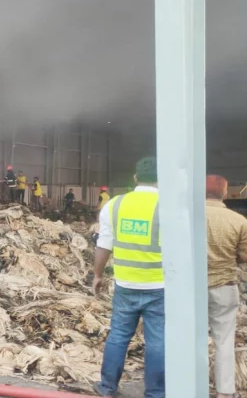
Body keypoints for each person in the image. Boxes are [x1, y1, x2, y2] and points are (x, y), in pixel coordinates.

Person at [92, 157, 164, 398]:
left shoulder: (114, 205)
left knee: (119, 336)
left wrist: (97, 275)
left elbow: (104, 244)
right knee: (157, 342)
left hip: (125, 285)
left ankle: (107, 387)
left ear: (135, 178)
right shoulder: (169, 205)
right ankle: (155, 393)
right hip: (159, 286)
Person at [205, 174, 247, 398]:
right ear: (223, 192)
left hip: (190, 290)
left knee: (192, 340)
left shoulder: (187, 218)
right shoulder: (238, 220)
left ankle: (190, 387)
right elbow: (245, 256)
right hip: (224, 286)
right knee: (224, 341)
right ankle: (225, 392)